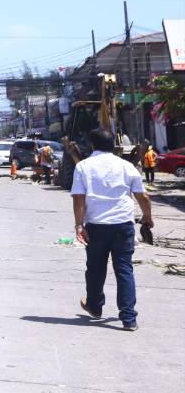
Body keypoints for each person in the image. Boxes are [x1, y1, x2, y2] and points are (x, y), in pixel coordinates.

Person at [71, 128, 154, 331]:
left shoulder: (83, 166)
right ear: (113, 145)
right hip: (123, 226)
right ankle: (128, 319)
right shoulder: (126, 166)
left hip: (96, 227)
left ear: (92, 145)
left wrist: (79, 225)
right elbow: (143, 196)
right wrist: (148, 218)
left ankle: (94, 306)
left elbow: (79, 198)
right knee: (124, 269)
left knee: (95, 269)